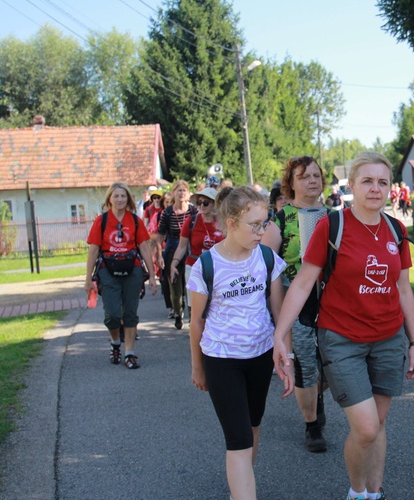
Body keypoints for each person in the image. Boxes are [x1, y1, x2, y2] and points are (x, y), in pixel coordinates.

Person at [272, 151, 414, 500]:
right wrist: (281, 334)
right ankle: (356, 493)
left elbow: (402, 287)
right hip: (342, 340)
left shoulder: (396, 230)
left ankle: (375, 492)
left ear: (390, 188)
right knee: (367, 428)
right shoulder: (333, 225)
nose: (375, 188)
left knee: (378, 425)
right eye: (367, 181)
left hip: (388, 340)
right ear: (352, 185)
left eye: (382, 182)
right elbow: (304, 282)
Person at [187, 186, 292, 500]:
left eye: (265, 223)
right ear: (231, 223)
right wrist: (198, 367)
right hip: (221, 359)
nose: (262, 231)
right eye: (255, 225)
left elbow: (279, 312)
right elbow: (196, 322)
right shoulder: (206, 265)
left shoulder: (266, 257)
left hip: (259, 356)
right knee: (239, 439)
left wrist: (286, 358)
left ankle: (241, 488)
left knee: (252, 426)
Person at [261, 155, 330, 453]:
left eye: (316, 175)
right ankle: (312, 426)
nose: (312, 180)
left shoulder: (336, 216)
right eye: (304, 176)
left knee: (331, 362)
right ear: (291, 184)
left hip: (332, 300)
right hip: (296, 299)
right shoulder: (279, 219)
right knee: (303, 362)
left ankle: (317, 396)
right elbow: (265, 265)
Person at [84, 182, 158, 369]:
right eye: (116, 196)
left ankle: (130, 353)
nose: (120, 199)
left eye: (123, 196)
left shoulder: (135, 221)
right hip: (107, 271)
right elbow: (93, 251)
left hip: (132, 270)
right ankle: (115, 342)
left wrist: (151, 275)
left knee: (130, 313)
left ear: (128, 199)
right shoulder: (101, 221)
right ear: (110, 199)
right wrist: (87, 279)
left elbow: (144, 248)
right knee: (113, 315)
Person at [170, 187, 225, 316]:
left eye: (206, 203)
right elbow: (182, 246)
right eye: (199, 202)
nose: (202, 205)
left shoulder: (223, 222)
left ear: (214, 204)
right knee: (195, 306)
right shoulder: (192, 221)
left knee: (215, 303)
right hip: (194, 266)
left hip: (217, 267)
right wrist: (174, 264)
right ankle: (195, 328)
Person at [157, 180, 198, 329]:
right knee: (175, 288)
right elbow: (160, 235)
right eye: (178, 190)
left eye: (183, 190)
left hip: (190, 247)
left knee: (191, 284)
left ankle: (193, 317)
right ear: (173, 193)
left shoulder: (193, 211)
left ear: (187, 193)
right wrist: (159, 255)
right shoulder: (167, 212)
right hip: (172, 245)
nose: (181, 193)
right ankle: (177, 312)